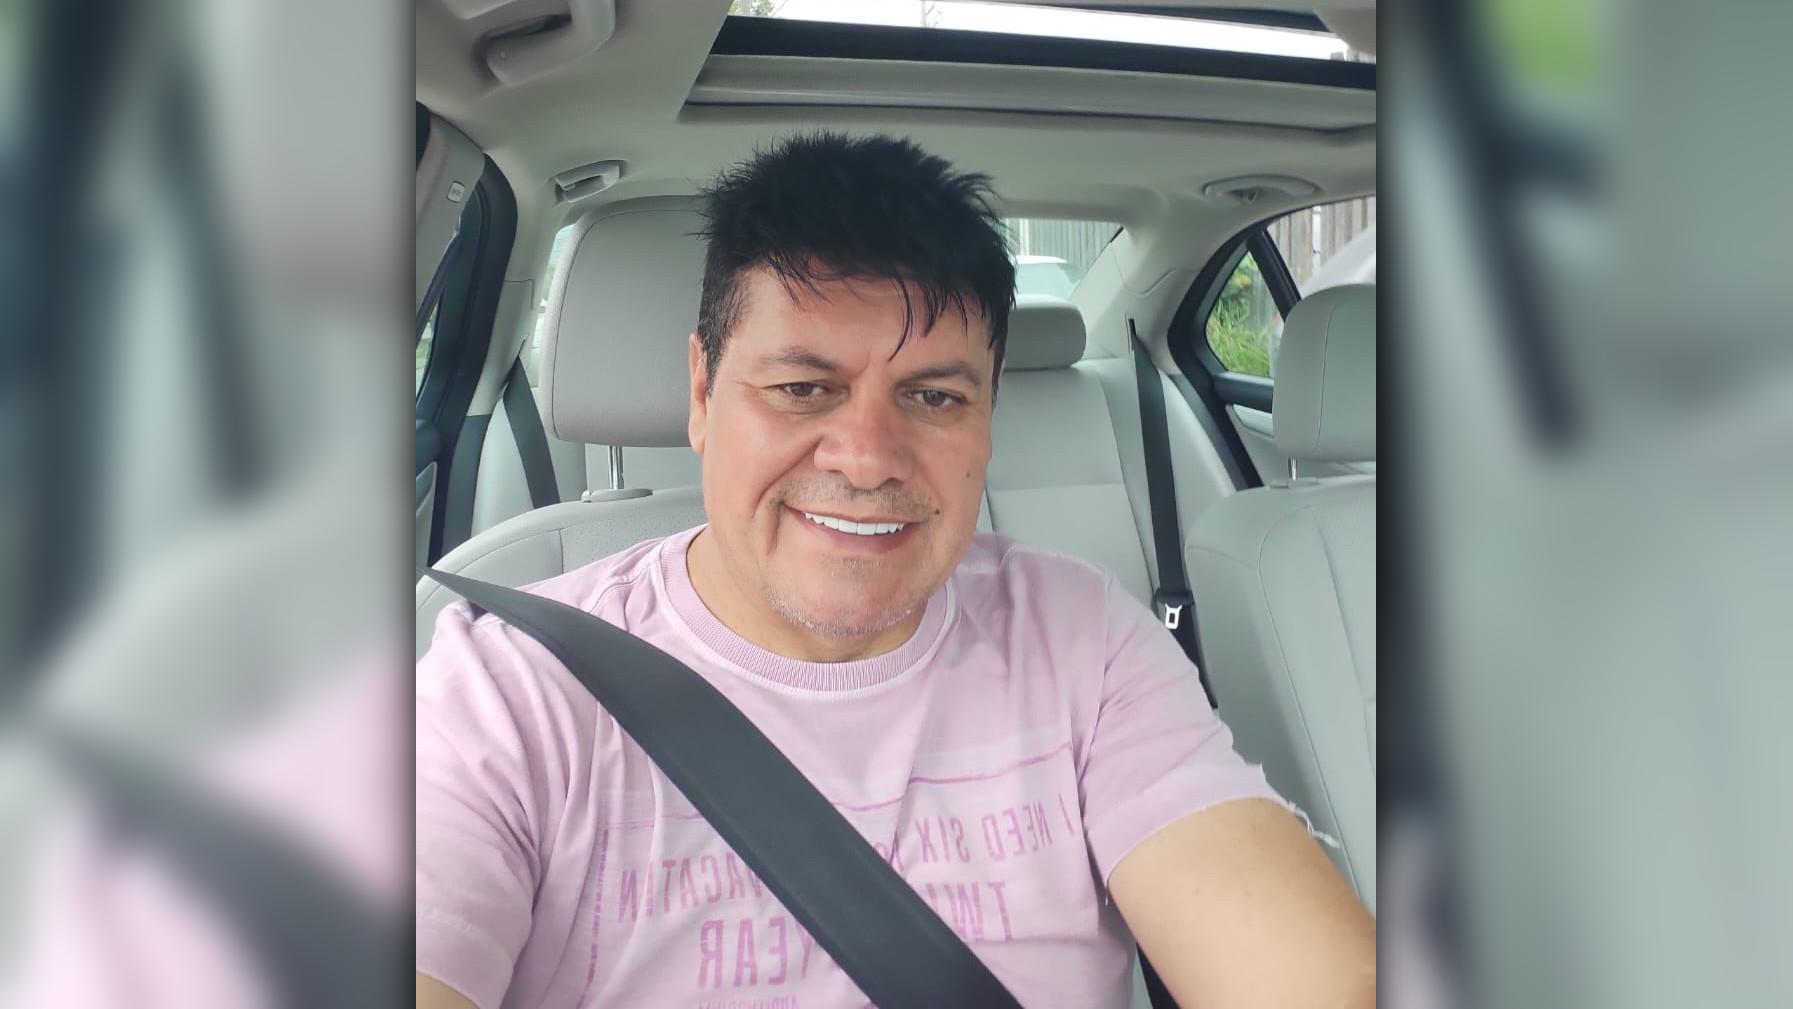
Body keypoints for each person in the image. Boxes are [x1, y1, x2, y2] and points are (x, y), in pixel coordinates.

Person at [416, 133, 1374, 1008]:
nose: (868, 457)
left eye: (933, 397)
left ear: (988, 416)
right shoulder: (504, 693)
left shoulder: (1084, 641)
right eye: (802, 388)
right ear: (702, 392)